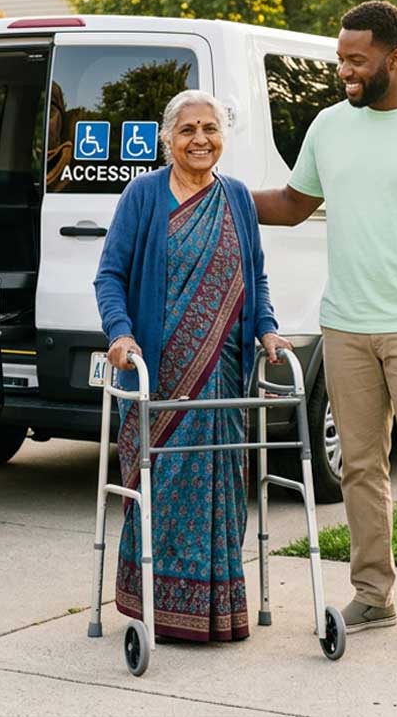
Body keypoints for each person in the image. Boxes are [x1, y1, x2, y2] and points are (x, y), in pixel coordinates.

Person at [252, 1, 397, 653]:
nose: (345, 73)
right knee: (359, 468)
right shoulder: (330, 127)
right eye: (341, 61)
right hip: (345, 326)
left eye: (357, 61)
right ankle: (372, 595)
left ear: (395, 57)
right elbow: (293, 205)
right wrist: (214, 191)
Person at [94, 89, 290, 642]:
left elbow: (256, 275)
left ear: (223, 136)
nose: (200, 139)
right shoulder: (144, 195)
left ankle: (216, 615)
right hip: (159, 375)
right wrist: (121, 333)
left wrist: (267, 327)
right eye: (187, 130)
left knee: (222, 487)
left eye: (210, 128)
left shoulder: (238, 201)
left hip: (223, 376)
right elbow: (109, 275)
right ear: (167, 139)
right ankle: (156, 609)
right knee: (164, 486)